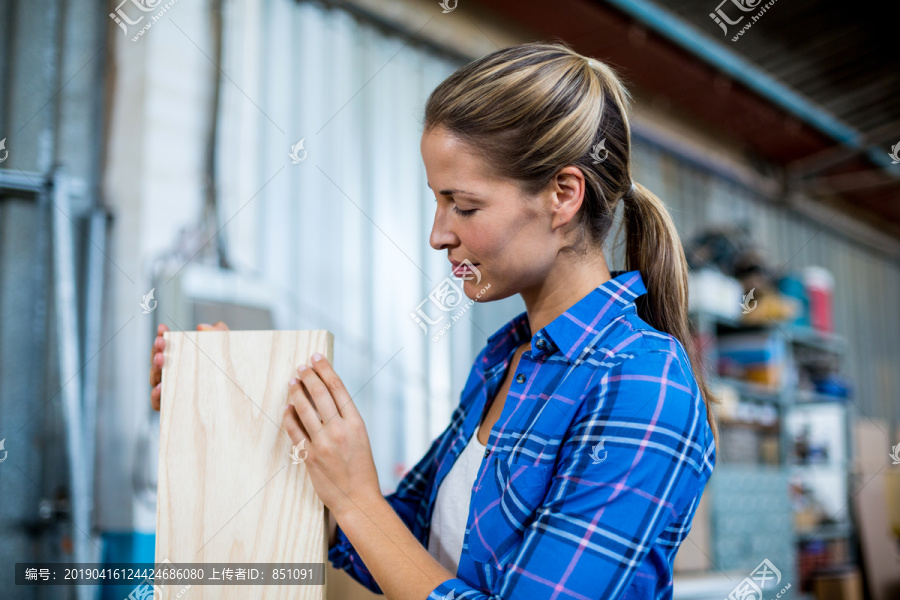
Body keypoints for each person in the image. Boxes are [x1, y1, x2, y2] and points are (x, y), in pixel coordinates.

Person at [150, 40, 718, 600]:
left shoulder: (642, 384)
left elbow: (367, 517)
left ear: (563, 195)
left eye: (464, 206)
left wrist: (356, 498)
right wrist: (241, 414)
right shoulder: (509, 360)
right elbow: (391, 548)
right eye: (438, 202)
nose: (438, 234)